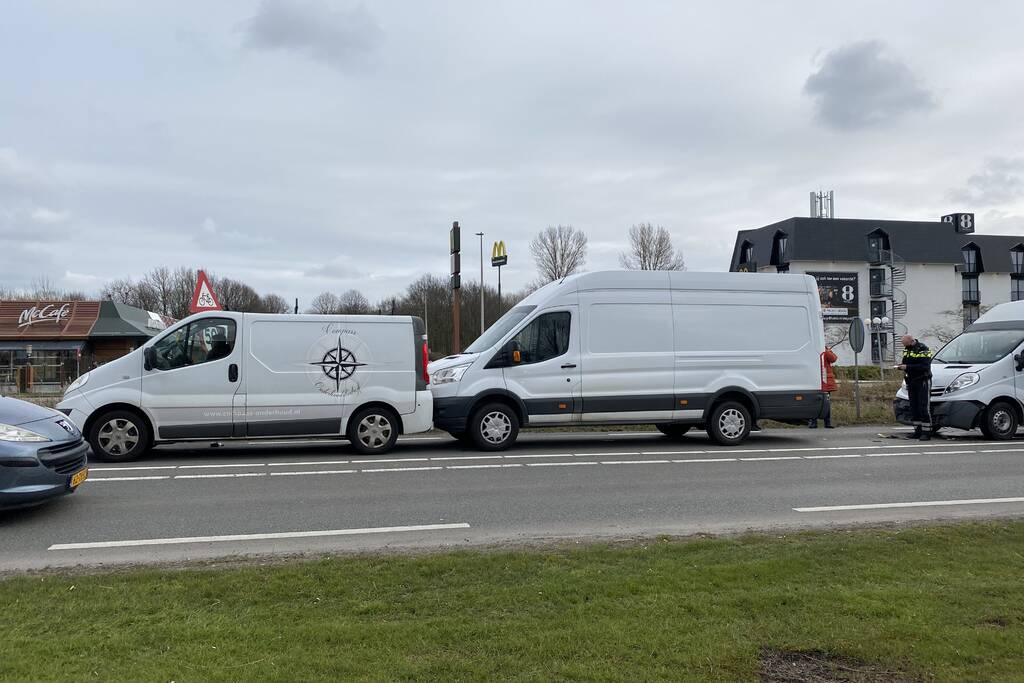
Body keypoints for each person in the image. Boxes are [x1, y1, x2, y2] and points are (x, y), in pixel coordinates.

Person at [898, 334, 934, 440]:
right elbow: (907, 362)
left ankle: (926, 433)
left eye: (905, 344)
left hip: (922, 380)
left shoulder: (923, 349)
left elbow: (924, 366)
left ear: (911, 341)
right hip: (911, 381)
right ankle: (917, 431)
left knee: (923, 407)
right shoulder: (907, 350)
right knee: (914, 407)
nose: (905, 346)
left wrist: (907, 367)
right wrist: (901, 366)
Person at [809, 346, 837, 428]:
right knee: (813, 401)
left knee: (826, 402)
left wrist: (826, 351)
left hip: (825, 381)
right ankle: (813, 422)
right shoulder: (811, 349)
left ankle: (827, 422)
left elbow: (833, 359)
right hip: (814, 379)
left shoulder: (825, 350)